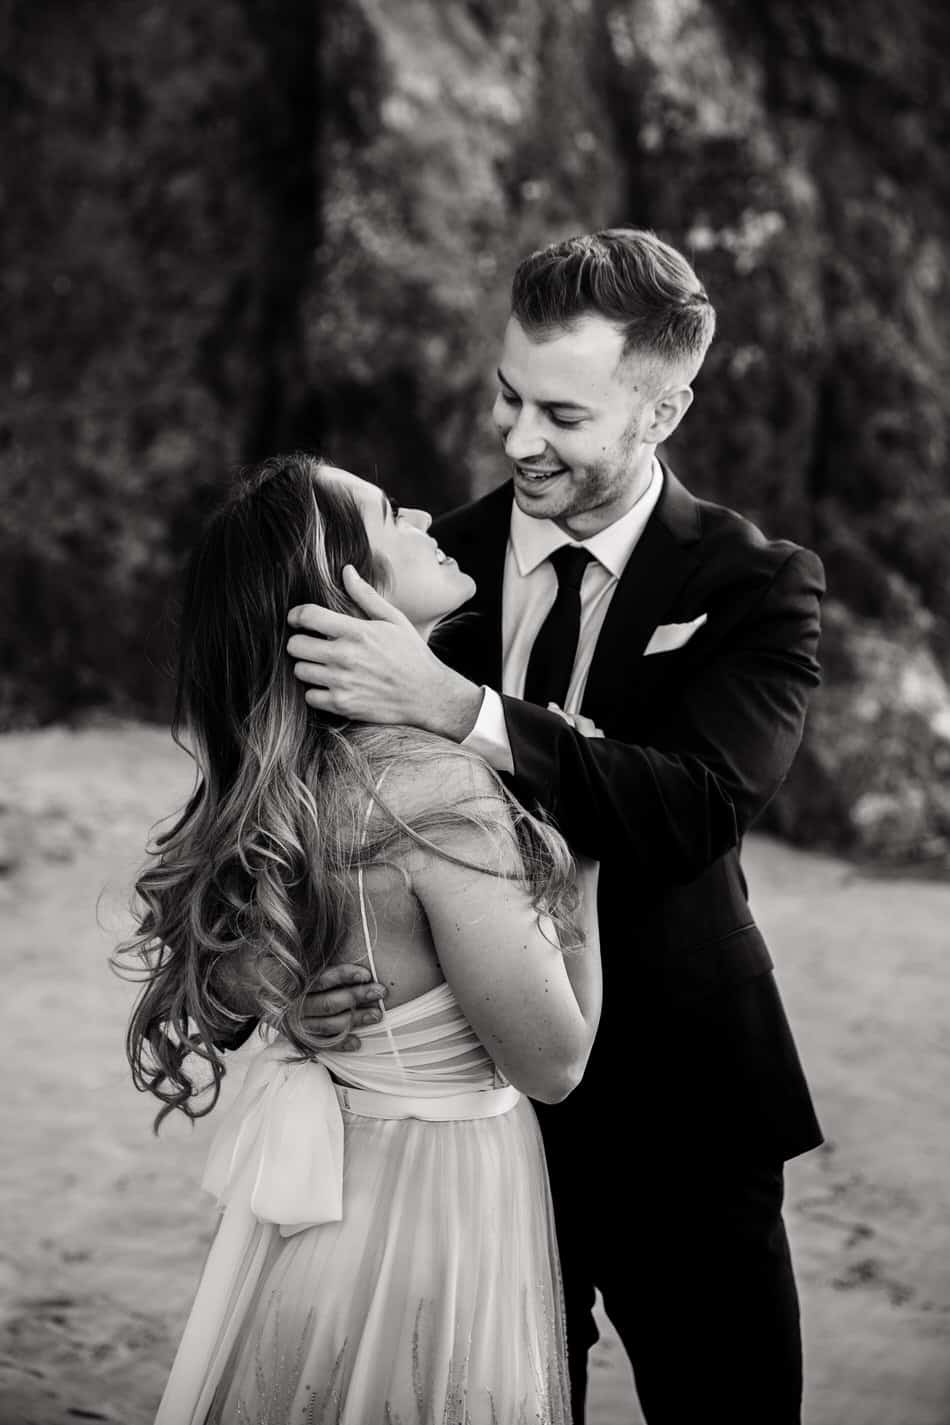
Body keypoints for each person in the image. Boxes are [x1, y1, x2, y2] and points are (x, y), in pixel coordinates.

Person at [281, 229, 826, 1424]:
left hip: (686, 1104)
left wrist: (459, 709)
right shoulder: (412, 568)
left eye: (563, 415)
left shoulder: (755, 584)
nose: (519, 439)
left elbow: (692, 808)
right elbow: (282, 804)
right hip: (467, 1121)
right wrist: (284, 975)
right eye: (506, 394)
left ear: (663, 409)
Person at [118, 454, 601, 1425]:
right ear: (341, 587)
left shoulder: (282, 795)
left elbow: (213, 983)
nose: (422, 510)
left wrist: (275, 996)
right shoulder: (434, 794)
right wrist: (581, 853)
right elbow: (553, 1061)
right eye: (387, 511)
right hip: (437, 1224)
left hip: (314, 1237)